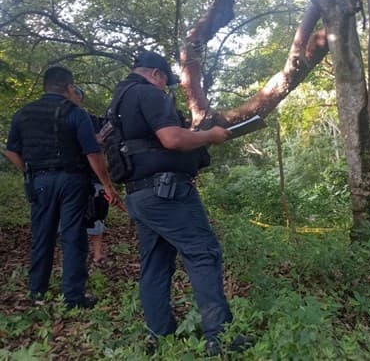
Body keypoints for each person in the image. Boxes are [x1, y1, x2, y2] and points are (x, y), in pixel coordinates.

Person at [109, 50, 249, 356]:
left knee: (156, 262)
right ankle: (220, 338)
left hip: (139, 194)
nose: (166, 88)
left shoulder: (119, 102)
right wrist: (210, 135)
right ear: (157, 75)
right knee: (203, 254)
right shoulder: (149, 94)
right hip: (167, 193)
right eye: (166, 83)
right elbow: (172, 139)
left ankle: (160, 332)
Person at [4, 66, 122, 309]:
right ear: (68, 87)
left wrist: (29, 171)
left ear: (45, 86)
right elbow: (93, 152)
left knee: (42, 235)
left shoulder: (23, 113)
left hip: (39, 181)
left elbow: (11, 151)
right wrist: (108, 185)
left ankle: (37, 290)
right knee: (73, 236)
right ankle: (73, 296)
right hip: (72, 180)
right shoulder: (75, 113)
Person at [71, 86, 109, 265]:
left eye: (76, 95)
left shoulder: (91, 119)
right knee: (72, 216)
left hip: (93, 176)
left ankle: (97, 253)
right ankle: (76, 255)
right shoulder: (58, 120)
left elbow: (103, 139)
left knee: (97, 212)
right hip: (70, 176)